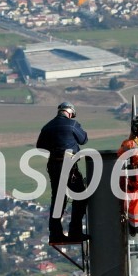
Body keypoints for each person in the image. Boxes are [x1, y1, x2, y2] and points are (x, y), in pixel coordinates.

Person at [36, 102, 89, 243]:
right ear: (70, 113)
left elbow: (40, 146)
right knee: (81, 197)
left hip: (54, 165)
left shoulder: (47, 126)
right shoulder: (72, 124)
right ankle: (75, 231)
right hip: (68, 165)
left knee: (58, 199)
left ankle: (55, 233)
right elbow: (84, 139)